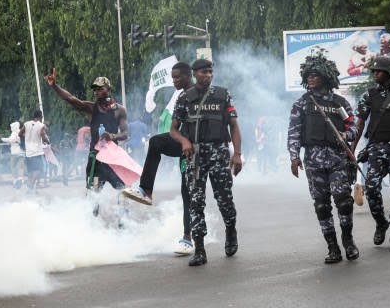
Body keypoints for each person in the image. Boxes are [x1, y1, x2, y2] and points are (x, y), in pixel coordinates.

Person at [288, 50, 359, 264]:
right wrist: (294, 156)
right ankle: (333, 247)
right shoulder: (302, 103)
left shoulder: (340, 103)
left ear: (325, 77)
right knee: (321, 205)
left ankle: (347, 240)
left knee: (344, 202)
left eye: (315, 74)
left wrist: (347, 134)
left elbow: (353, 126)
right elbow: (294, 131)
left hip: (338, 160)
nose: (310, 78)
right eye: (308, 75)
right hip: (313, 161)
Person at [169, 59, 242, 266]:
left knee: (225, 199)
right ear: (195, 74)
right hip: (196, 155)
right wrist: (184, 140)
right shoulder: (185, 97)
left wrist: (236, 154)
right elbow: (173, 130)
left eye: (210, 72)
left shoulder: (222, 94)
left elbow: (234, 127)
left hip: (219, 152)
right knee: (195, 202)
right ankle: (199, 250)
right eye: (203, 72)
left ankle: (231, 230)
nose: (208, 75)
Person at [122, 62, 195, 255]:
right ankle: (146, 190)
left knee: (197, 194)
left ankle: (224, 231)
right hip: (185, 147)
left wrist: (233, 151)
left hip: (203, 148)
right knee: (155, 142)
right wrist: (183, 141)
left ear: (188, 76)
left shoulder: (202, 94)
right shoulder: (180, 97)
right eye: (172, 77)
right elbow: (173, 128)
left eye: (178, 77)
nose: (174, 81)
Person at [351, 56, 390, 250]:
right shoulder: (368, 95)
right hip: (376, 149)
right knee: (371, 188)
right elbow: (360, 123)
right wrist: (351, 149)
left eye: (378, 71)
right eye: (373, 71)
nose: (374, 74)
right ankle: (381, 223)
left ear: (388, 72)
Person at [45, 71, 128, 193]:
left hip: (113, 160)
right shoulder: (90, 108)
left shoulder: (120, 110)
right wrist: (54, 85)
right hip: (96, 161)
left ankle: (123, 211)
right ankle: (93, 212)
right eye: (95, 89)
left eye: (100, 89)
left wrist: (112, 136)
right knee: (94, 191)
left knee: (122, 189)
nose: (96, 92)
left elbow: (125, 134)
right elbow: (70, 98)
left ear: (108, 89)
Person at [19, 110, 49, 194]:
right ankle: (31, 184)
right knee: (39, 170)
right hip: (37, 152)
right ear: (40, 117)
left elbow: (19, 134)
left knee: (31, 171)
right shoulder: (41, 125)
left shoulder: (26, 124)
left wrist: (27, 136)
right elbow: (43, 137)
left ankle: (30, 191)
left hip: (28, 152)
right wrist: (46, 140)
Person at [0, 121, 25, 189]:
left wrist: (2, 138)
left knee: (13, 167)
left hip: (15, 153)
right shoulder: (21, 132)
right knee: (20, 167)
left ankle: (15, 181)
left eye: (11, 127)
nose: (11, 128)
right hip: (21, 152)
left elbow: (11, 140)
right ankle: (20, 179)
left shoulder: (14, 133)